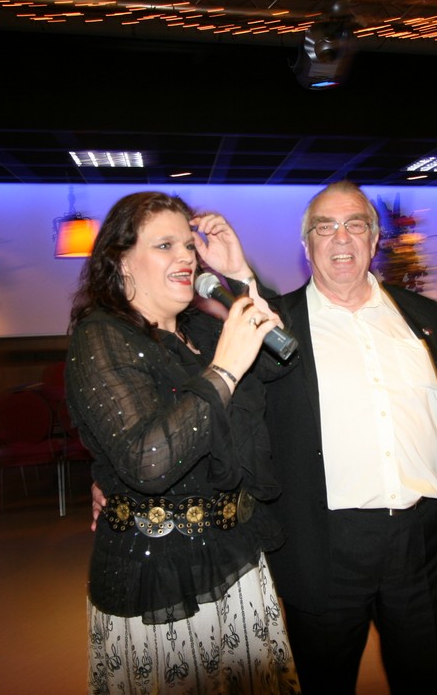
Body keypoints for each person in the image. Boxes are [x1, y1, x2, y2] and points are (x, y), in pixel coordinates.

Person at [65, 191, 299, 694]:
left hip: (235, 557)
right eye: (164, 245)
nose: (186, 257)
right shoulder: (102, 336)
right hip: (160, 574)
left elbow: (283, 361)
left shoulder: (202, 330)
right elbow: (147, 461)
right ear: (120, 260)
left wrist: (241, 276)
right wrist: (225, 370)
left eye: (189, 245)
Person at [261, 181, 437, 694]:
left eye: (355, 224)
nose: (341, 237)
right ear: (306, 244)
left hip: (421, 542)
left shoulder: (424, 317)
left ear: (375, 240)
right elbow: (232, 420)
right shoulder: (274, 325)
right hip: (325, 545)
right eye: (325, 227)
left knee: (422, 682)